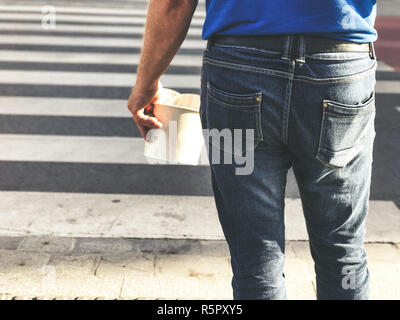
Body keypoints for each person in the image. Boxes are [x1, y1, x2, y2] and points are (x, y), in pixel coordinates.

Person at [127, 0, 378, 300]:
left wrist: (146, 83)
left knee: (255, 255)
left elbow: (175, 3)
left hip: (237, 74)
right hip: (340, 69)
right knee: (342, 249)